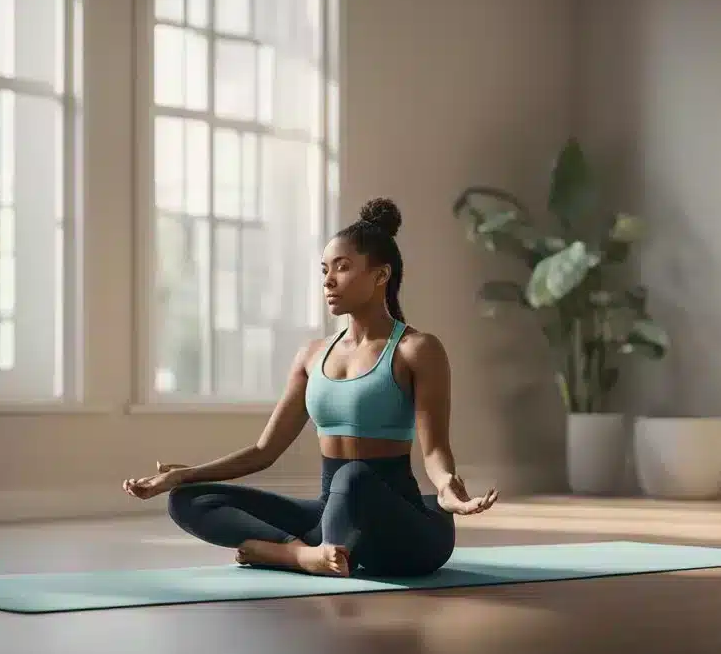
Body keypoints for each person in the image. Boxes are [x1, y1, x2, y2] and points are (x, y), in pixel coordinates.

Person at [123, 198, 499, 578]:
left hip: (405, 533)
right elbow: (263, 451)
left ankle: (293, 551)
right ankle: (299, 554)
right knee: (188, 499)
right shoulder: (312, 355)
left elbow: (434, 450)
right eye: (324, 269)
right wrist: (184, 475)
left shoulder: (416, 349)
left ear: (380, 275)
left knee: (353, 477)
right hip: (330, 516)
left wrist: (447, 487)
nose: (328, 280)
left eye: (343, 267)